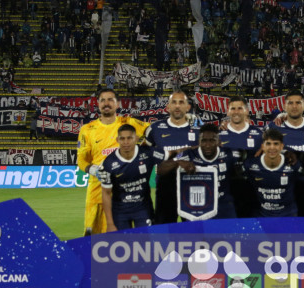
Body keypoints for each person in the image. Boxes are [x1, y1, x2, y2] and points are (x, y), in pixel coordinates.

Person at [76, 89, 149, 235]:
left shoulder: (128, 123)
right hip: (97, 190)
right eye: (102, 100)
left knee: (122, 238)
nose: (106, 103)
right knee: (91, 237)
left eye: (110, 100)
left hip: (124, 191)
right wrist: (92, 170)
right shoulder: (87, 130)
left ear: (118, 104)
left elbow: (153, 132)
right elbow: (81, 159)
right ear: (98, 104)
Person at [144, 91, 198, 224]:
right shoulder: (155, 129)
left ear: (187, 107)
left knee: (194, 234)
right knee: (164, 235)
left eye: (181, 102)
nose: (177, 106)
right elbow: (144, 153)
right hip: (164, 190)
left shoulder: (199, 131)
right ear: (168, 107)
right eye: (174, 102)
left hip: (192, 189)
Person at [267, 90, 304, 217]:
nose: (294, 106)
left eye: (298, 103)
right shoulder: (273, 127)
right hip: (277, 194)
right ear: (284, 106)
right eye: (290, 103)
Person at [99, 124, 164, 231]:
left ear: (136, 139)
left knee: (145, 243)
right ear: (117, 140)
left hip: (143, 209)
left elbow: (170, 154)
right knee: (123, 244)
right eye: (122, 138)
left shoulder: (147, 153)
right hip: (120, 211)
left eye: (129, 138)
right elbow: (106, 193)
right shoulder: (108, 163)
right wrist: (110, 223)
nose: (126, 142)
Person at [175, 123, 241, 219]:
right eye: (204, 141)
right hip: (198, 207)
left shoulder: (230, 153)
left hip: (224, 206)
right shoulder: (188, 154)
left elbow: (246, 159)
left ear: (218, 141)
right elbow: (160, 169)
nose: (208, 145)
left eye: (212, 141)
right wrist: (178, 163)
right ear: (199, 141)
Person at [219, 96, 263, 217]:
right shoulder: (219, 135)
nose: (236, 111)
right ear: (228, 111)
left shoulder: (259, 135)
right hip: (226, 194)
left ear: (246, 111)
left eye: (240, 108)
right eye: (233, 108)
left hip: (252, 194)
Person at [244, 128, 303, 217]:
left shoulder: (293, 164)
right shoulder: (251, 165)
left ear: (282, 146)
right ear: (262, 146)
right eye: (268, 143)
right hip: (261, 215)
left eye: (276, 144)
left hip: (288, 214)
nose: (272, 147)